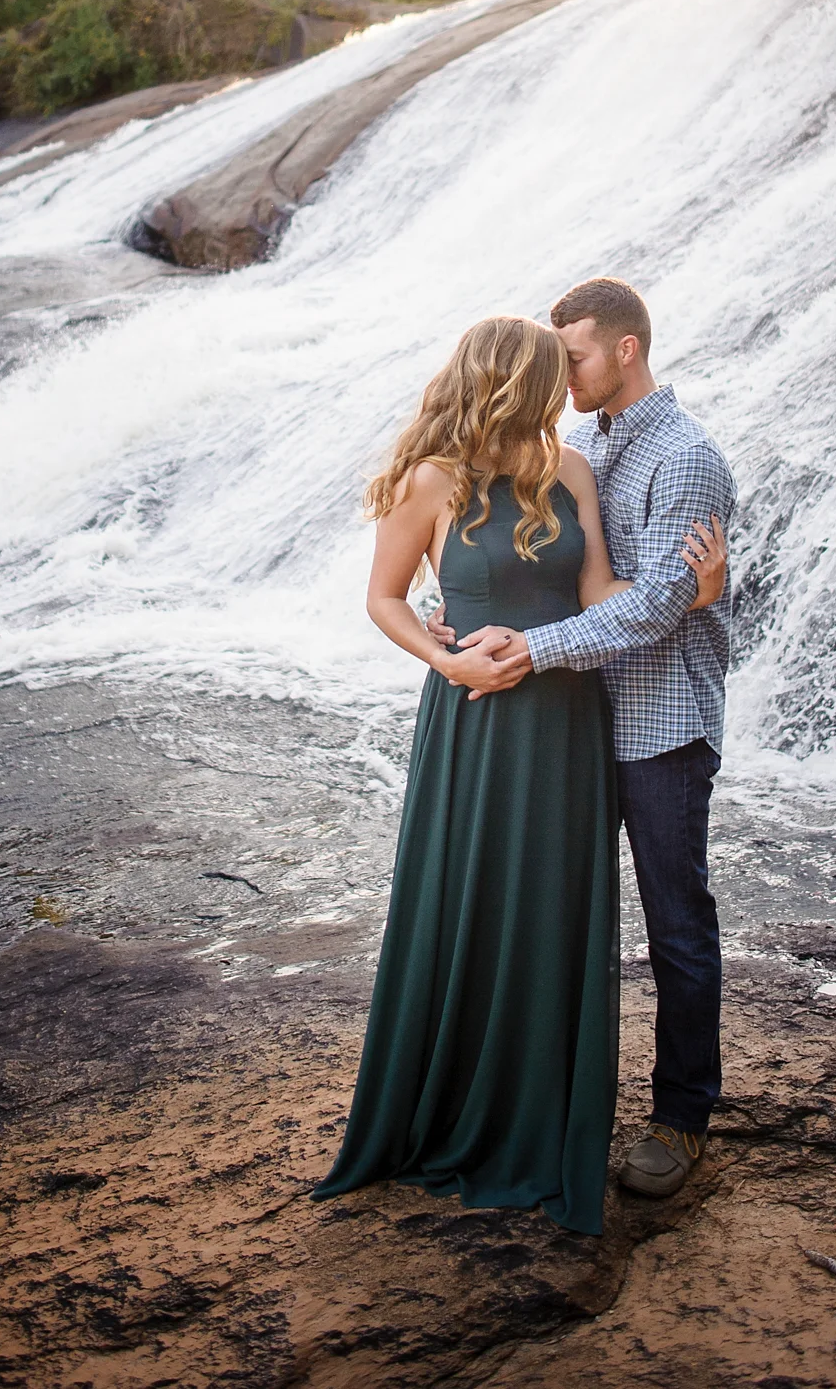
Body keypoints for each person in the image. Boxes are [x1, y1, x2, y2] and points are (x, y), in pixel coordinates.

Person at [313, 314, 726, 1236]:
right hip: (476, 717)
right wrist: (444, 658)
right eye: (552, 368)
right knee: (474, 902)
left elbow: (596, 598)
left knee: (549, 913)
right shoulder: (431, 479)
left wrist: (690, 590)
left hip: (568, 721)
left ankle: (550, 1110)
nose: (563, 383)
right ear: (513, 379)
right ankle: (456, 1099)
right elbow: (382, 596)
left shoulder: (567, 468)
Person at [451, 278, 735, 1201]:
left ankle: (682, 1118)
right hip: (573, 724)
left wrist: (528, 649)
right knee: (558, 920)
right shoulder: (578, 446)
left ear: (624, 349)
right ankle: (545, 1100)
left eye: (569, 356)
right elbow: (555, 568)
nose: (555, 372)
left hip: (657, 726)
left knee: (675, 926)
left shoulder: (684, 456)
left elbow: (656, 605)